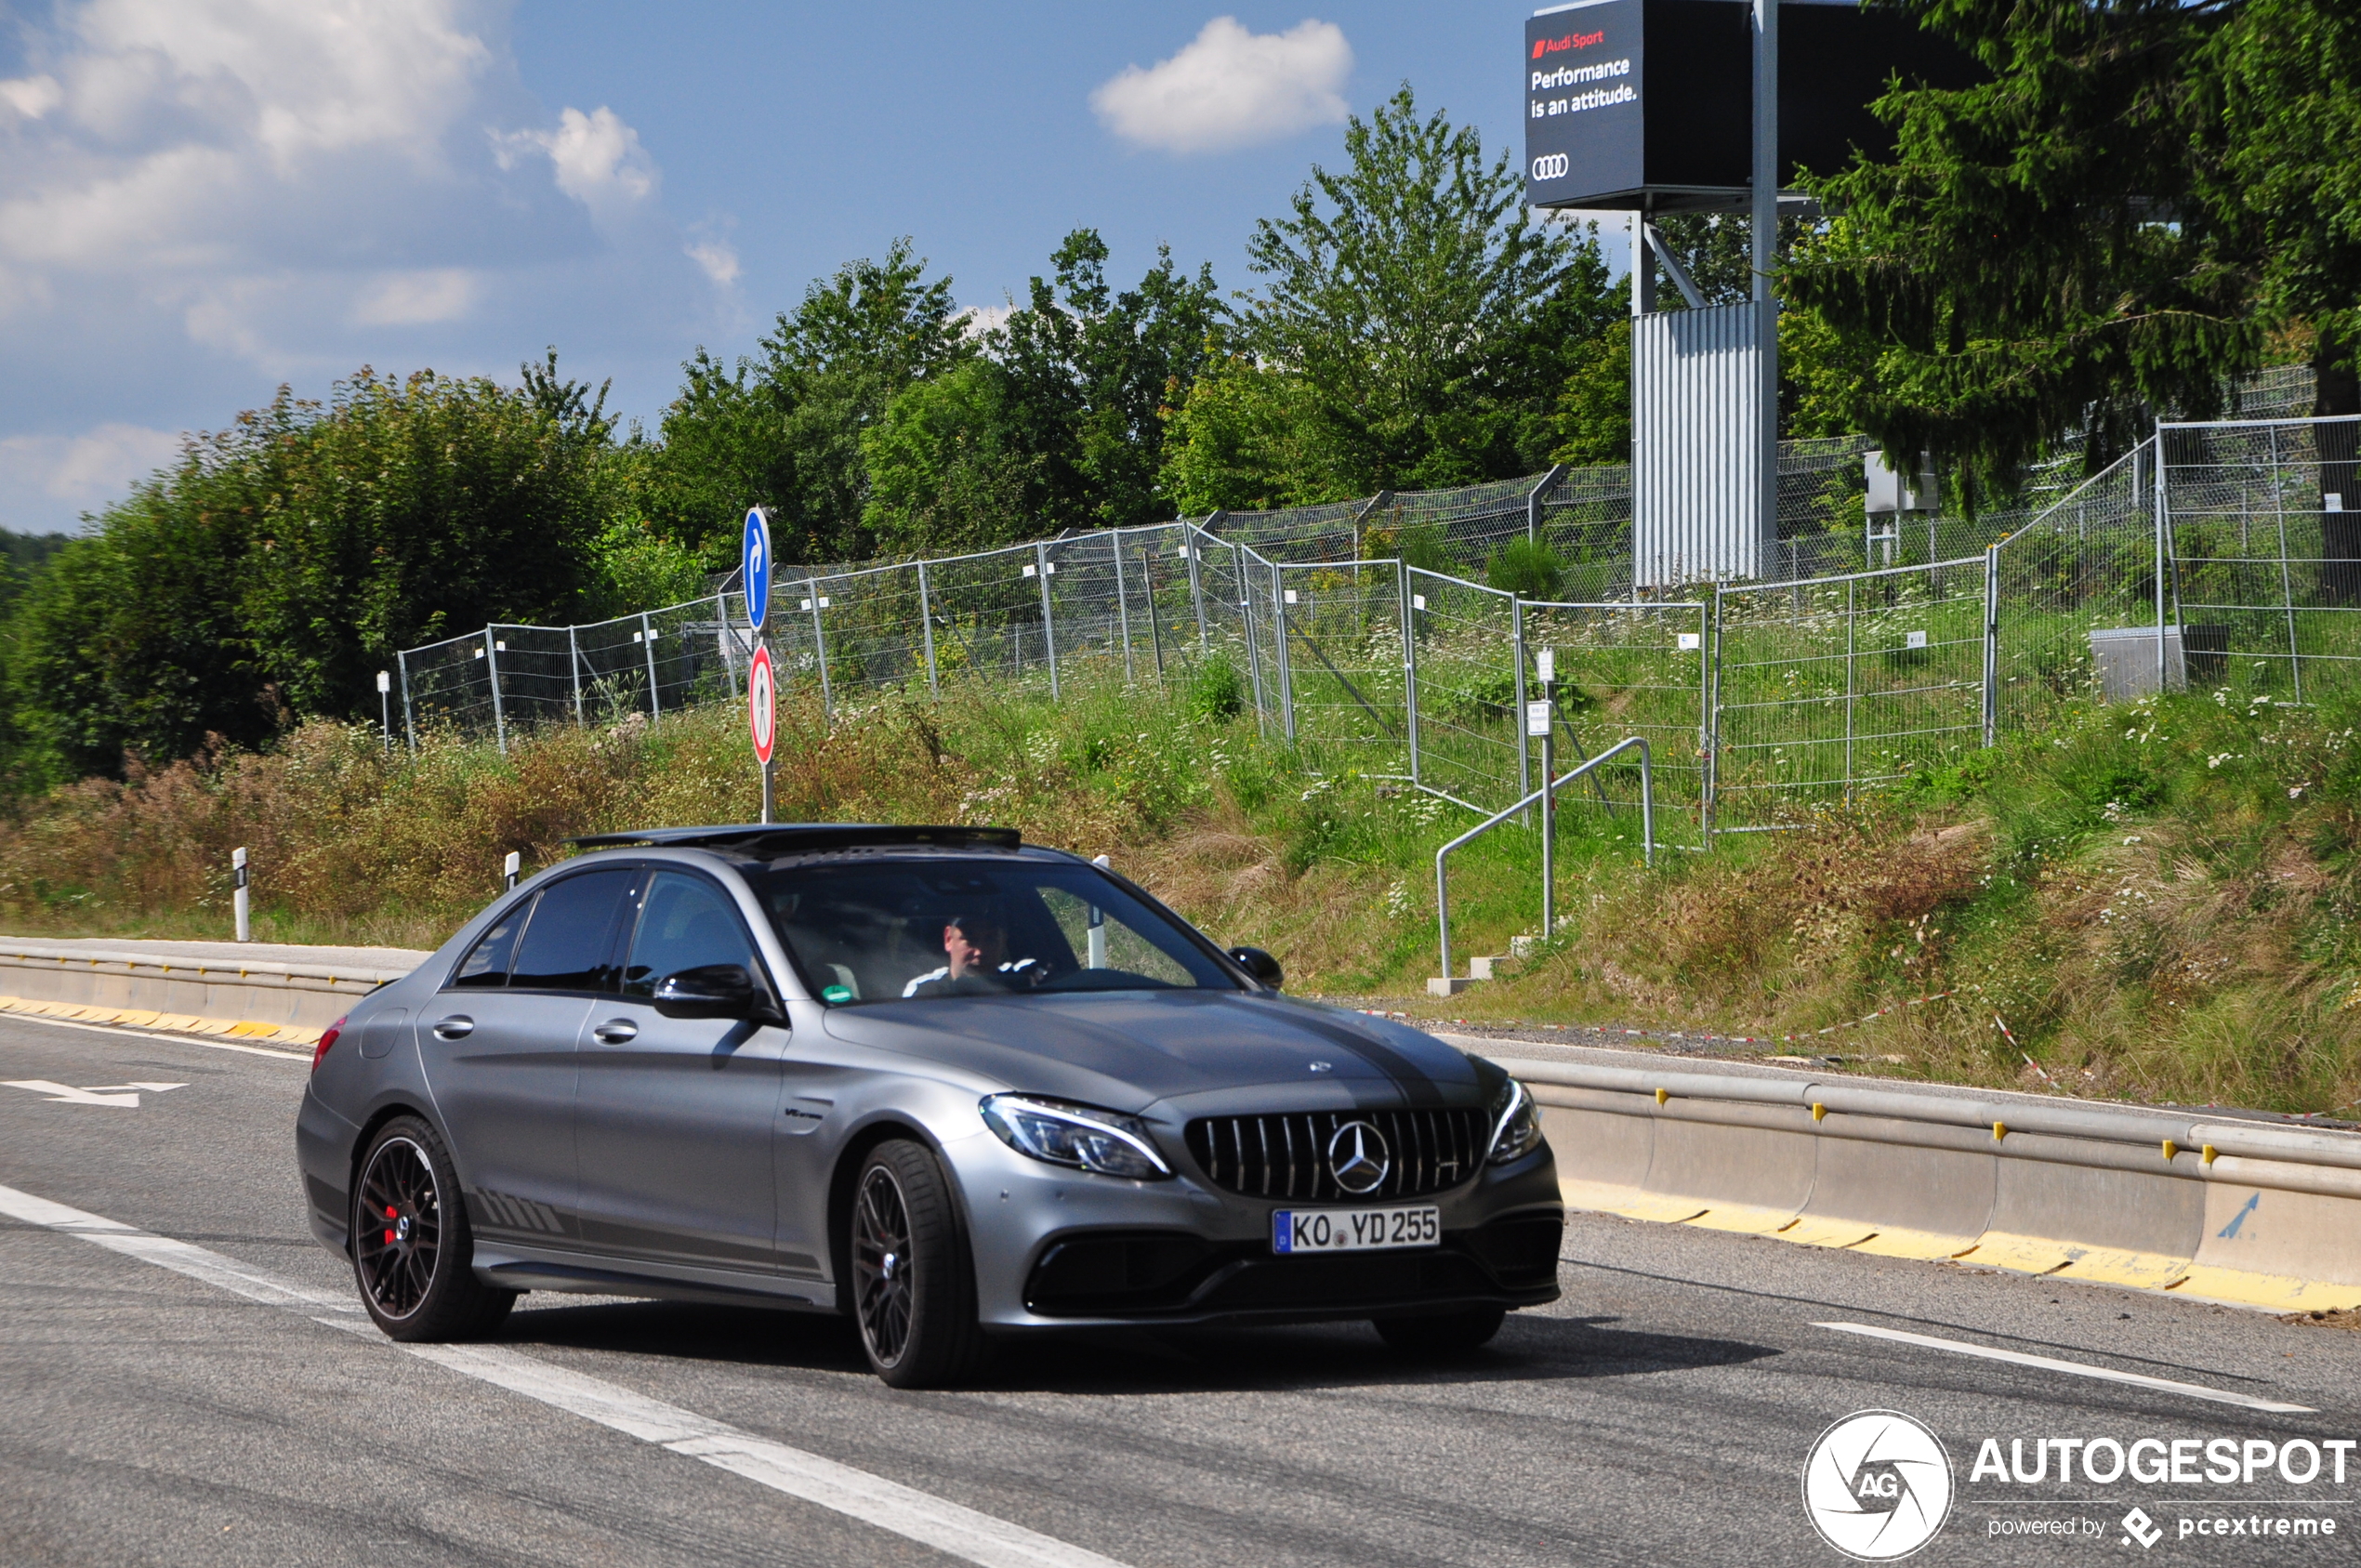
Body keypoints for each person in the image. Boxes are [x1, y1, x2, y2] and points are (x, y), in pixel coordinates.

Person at [901, 913, 1042, 997]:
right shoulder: (925, 991)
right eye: (970, 940)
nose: (980, 951)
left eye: (991, 939)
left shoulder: (1023, 978)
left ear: (1003, 941)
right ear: (948, 939)